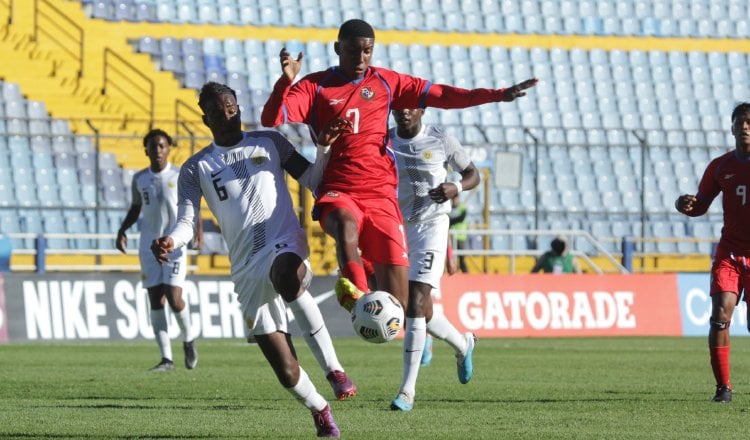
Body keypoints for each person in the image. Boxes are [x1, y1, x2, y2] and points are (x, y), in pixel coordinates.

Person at [261, 18, 535, 410]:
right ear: (338, 48)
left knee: (411, 307)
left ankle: (460, 341)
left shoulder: (387, 82)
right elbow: (273, 118)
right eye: (353, 49)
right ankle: (354, 293)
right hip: (339, 187)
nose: (361, 57)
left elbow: (443, 94)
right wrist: (285, 81)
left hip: (382, 198)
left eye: (367, 50)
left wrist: (496, 95)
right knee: (343, 227)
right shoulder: (316, 85)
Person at [151, 82, 355, 437]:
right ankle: (320, 409)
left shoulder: (270, 142)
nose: (228, 116)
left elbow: (311, 178)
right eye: (219, 112)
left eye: (232, 108)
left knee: (288, 276)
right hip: (246, 270)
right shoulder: (194, 168)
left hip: (283, 241)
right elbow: (186, 223)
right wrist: (171, 239)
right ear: (206, 118)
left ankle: (334, 370)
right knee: (287, 372)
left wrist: (323, 147)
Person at [389, 107, 481, 411]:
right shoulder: (384, 141)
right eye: (398, 105)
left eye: (411, 106)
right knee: (414, 307)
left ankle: (407, 391)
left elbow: (473, 174)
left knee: (416, 301)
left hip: (432, 227)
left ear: (422, 109)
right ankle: (462, 344)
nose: (404, 111)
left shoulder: (441, 140)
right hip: (398, 227)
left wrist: (455, 186)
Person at [675, 102, 750, 404]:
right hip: (729, 254)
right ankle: (724, 388)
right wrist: (686, 205)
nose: (745, 127)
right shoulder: (720, 166)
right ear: (731, 128)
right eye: (740, 123)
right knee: (720, 316)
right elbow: (701, 205)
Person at [116, 128, 201, 371]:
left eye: (162, 146)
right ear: (146, 150)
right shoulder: (140, 179)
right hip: (147, 246)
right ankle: (166, 359)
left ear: (168, 149)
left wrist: (198, 233)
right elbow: (135, 208)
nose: (158, 150)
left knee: (174, 298)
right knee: (155, 299)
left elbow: (192, 206)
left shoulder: (179, 174)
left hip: (174, 244)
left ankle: (188, 339)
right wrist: (122, 230)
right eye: (153, 146)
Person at [448, 195, 469, 273]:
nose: (454, 200)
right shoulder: (449, 208)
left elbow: (461, 218)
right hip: (451, 236)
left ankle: (465, 274)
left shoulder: (462, 207)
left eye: (456, 198)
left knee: (461, 257)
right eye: (453, 198)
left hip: (460, 235)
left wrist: (452, 221)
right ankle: (453, 273)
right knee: (452, 257)